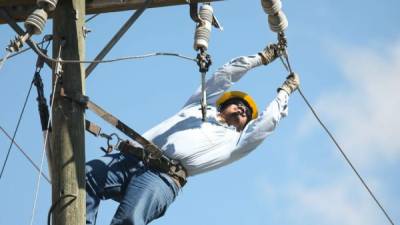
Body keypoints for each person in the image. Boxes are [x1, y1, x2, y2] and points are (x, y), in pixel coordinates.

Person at [85, 45, 300, 225]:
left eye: (247, 113)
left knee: (130, 220)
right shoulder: (198, 106)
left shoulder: (234, 142)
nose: (243, 110)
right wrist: (260, 59)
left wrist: (284, 92)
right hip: (132, 158)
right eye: (239, 104)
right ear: (223, 103)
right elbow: (224, 75)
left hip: (163, 177)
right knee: (86, 176)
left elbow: (266, 122)